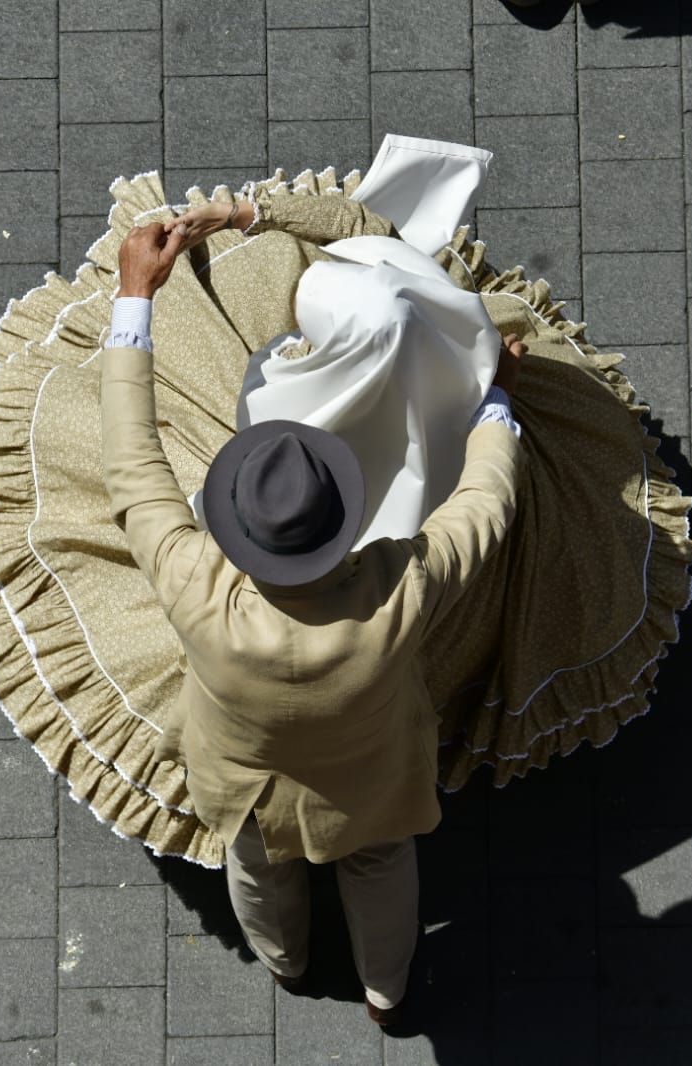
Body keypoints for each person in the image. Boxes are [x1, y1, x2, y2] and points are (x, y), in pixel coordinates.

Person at [99, 212, 528, 1025]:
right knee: (378, 870)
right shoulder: (402, 586)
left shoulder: (192, 579)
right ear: (344, 523)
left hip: (244, 783)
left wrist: (135, 297)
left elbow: (131, 459)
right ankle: (386, 991)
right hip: (372, 780)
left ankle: (286, 963)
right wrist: (494, 398)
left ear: (235, 528)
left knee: (258, 874)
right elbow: (484, 505)